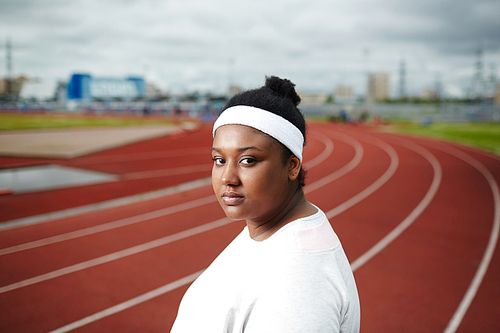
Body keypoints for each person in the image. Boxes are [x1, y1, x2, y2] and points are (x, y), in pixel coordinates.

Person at [170, 76, 360, 332]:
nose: (227, 177)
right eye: (219, 159)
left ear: (292, 166)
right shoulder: (268, 230)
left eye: (248, 160)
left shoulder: (297, 284)